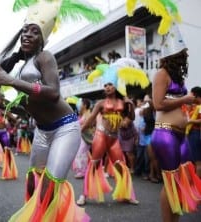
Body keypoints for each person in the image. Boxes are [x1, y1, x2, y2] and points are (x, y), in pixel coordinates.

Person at [0, 1, 104, 220]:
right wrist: (2, 100)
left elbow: (53, 92)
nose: (26, 35)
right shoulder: (21, 66)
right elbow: (28, 111)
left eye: (34, 32)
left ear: (42, 39)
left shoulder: (45, 57)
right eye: (24, 31)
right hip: (42, 132)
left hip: (65, 129)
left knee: (49, 186)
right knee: (34, 182)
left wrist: (10, 81)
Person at [76, 57, 150, 206]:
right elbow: (90, 119)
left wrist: (129, 104)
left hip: (114, 139)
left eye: (110, 84)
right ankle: (84, 195)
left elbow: (131, 117)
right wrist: (78, 131)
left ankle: (127, 195)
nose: (107, 87)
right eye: (105, 85)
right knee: (95, 165)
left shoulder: (123, 103)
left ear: (115, 86)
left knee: (121, 166)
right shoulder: (101, 103)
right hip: (101, 136)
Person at [150, 23, 201, 221]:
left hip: (180, 134)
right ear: (175, 54)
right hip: (165, 134)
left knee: (184, 177)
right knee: (170, 181)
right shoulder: (161, 74)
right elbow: (158, 103)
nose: (186, 55)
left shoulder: (176, 77)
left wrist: (189, 103)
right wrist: (185, 99)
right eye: (183, 52)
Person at [72, 98, 92, 179]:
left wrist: (80, 128)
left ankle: (82, 171)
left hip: (86, 136)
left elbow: (89, 124)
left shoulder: (88, 114)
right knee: (80, 153)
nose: (79, 105)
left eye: (81, 104)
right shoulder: (81, 114)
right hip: (80, 137)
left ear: (85, 105)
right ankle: (82, 170)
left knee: (81, 153)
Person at [185, 86, 201, 177]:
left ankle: (197, 187)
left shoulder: (200, 106)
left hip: (196, 134)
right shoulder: (196, 106)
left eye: (191, 95)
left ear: (196, 96)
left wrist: (190, 121)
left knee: (198, 162)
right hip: (194, 134)